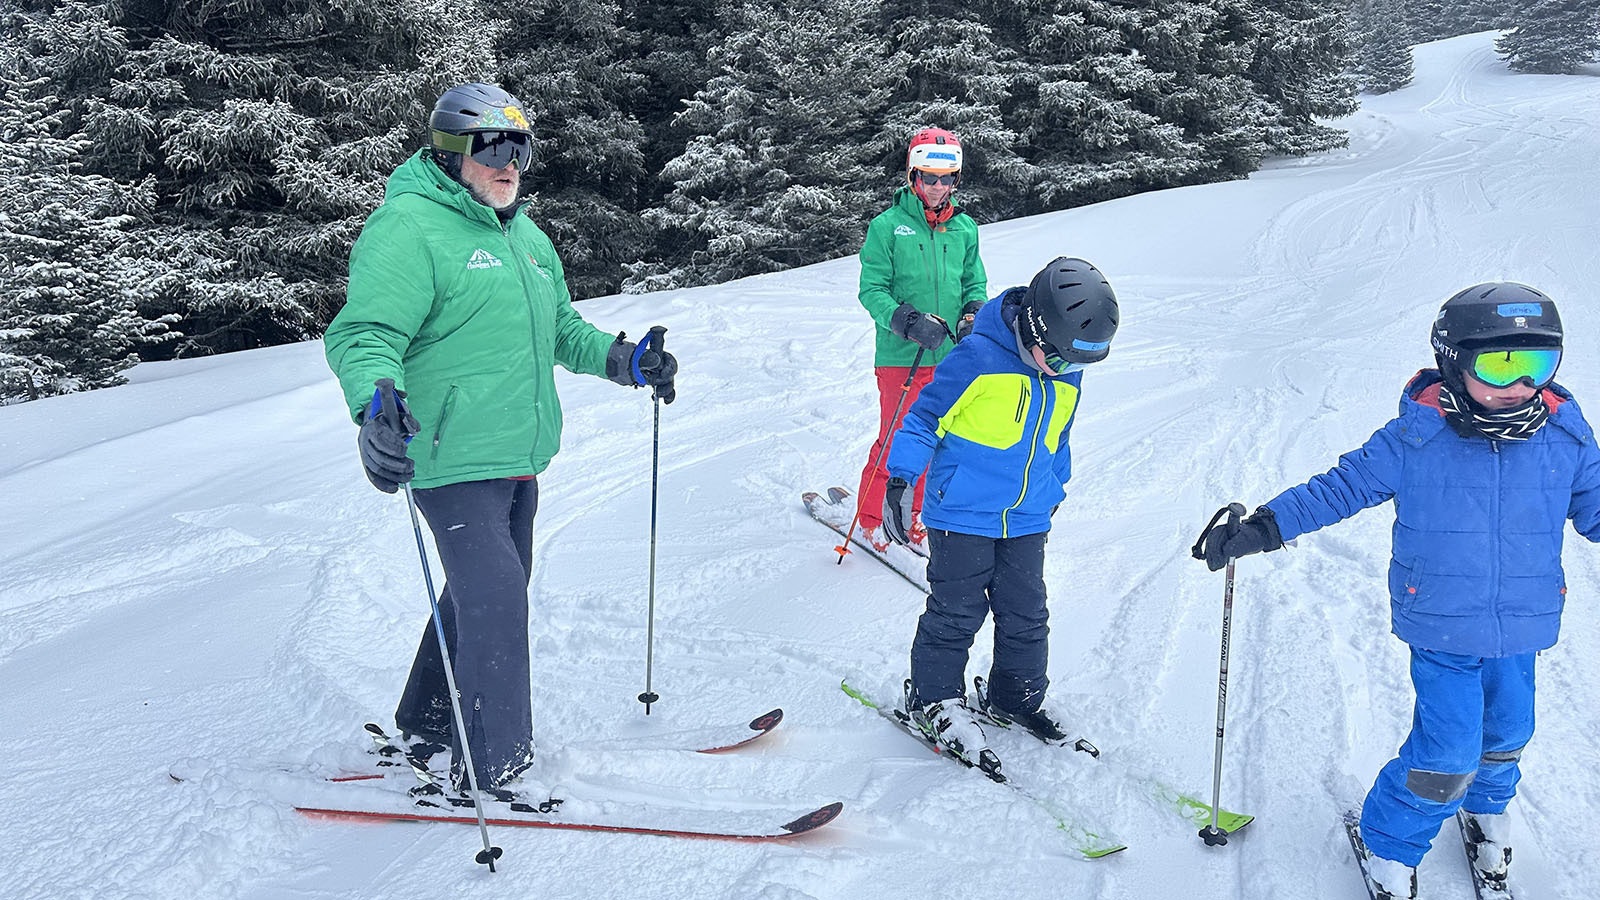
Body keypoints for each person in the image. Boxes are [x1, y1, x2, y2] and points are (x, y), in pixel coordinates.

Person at [323, 82, 678, 795]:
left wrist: (625, 359)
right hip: (450, 456)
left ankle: (425, 722)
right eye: (491, 147)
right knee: (496, 600)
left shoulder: (526, 235)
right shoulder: (409, 228)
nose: (507, 162)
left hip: (517, 455)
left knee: (480, 592)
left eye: (518, 147)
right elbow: (365, 333)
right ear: (452, 153)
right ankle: (493, 770)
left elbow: (562, 332)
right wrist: (375, 405)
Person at [1195, 283, 1600, 899]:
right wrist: (1265, 528)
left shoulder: (1565, 436)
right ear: (1454, 361)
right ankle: (1390, 842)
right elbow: (1340, 487)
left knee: (1509, 731)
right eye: (1500, 364)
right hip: (1442, 623)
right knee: (1448, 750)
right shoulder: (1418, 437)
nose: (1520, 386)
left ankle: (1487, 808)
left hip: (1523, 623)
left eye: (1538, 366)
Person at [879, 257, 1119, 772]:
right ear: (1035, 326)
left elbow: (1059, 437)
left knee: (1027, 614)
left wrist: (1055, 488)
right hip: (962, 513)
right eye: (1059, 356)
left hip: (1027, 517)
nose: (1066, 370)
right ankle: (934, 700)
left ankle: (1016, 695)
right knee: (957, 610)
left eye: (1079, 363)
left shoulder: (1067, 372)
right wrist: (900, 480)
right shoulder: (977, 360)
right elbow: (922, 419)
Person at [854, 127, 989, 555]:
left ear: (956, 181)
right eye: (928, 178)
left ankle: (915, 512)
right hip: (901, 355)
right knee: (896, 437)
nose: (936, 187)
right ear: (913, 177)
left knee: (937, 435)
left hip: (949, 354)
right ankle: (871, 516)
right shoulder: (888, 227)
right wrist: (905, 320)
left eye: (945, 179)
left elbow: (975, 282)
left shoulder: (964, 228)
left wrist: (972, 314)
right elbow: (872, 289)